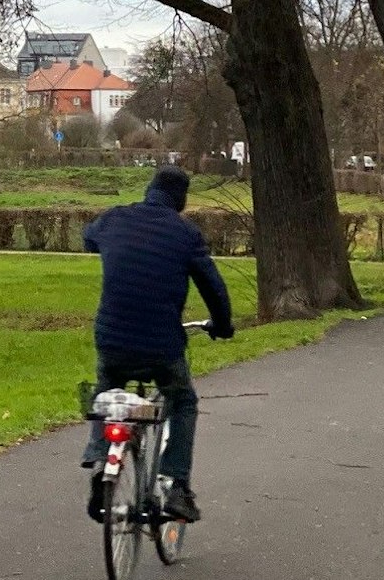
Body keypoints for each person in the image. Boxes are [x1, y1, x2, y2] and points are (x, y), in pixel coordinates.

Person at [80, 165, 235, 526]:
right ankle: (177, 484)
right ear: (181, 200)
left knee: (107, 390)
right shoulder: (185, 233)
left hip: (112, 339)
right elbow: (212, 286)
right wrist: (222, 326)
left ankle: (101, 457)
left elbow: (89, 239)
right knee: (183, 402)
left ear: (149, 190)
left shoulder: (114, 219)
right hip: (161, 346)